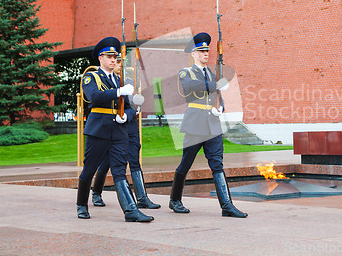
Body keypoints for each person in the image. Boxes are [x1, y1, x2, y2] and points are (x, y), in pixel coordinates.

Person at [168, 32, 247, 218]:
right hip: (195, 124)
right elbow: (192, 87)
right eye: (201, 51)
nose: (206, 54)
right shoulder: (186, 72)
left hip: (212, 124)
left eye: (207, 51)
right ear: (194, 54)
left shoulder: (211, 73)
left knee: (217, 164)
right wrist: (216, 85)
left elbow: (217, 97)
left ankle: (227, 205)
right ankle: (175, 200)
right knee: (185, 164)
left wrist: (221, 108)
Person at [76, 37, 153, 222]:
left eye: (115, 57)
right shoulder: (91, 77)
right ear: (100, 58)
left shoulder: (119, 80)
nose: (113, 60)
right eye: (109, 56)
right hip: (99, 130)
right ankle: (81, 204)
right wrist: (119, 92)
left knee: (119, 170)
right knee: (90, 169)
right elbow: (94, 96)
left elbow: (127, 105)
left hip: (119, 131)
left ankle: (131, 210)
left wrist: (126, 115)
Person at [91, 59, 160, 209]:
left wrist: (136, 105)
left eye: (121, 62)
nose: (119, 65)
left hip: (129, 124)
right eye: (117, 62)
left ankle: (142, 197)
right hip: (113, 125)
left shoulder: (128, 81)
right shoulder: (105, 80)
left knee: (134, 159)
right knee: (107, 162)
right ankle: (96, 192)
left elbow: (130, 104)